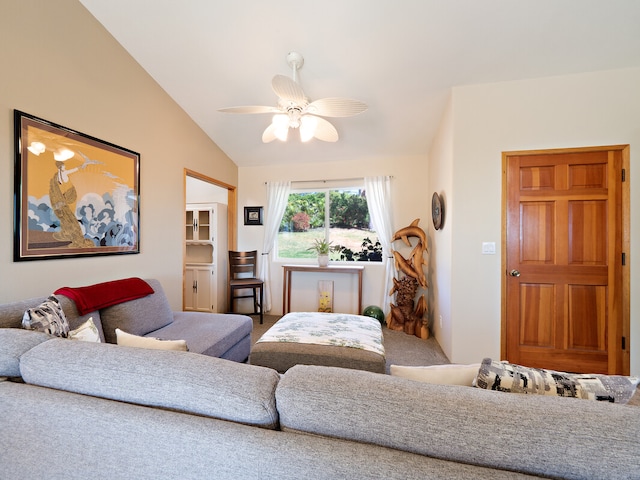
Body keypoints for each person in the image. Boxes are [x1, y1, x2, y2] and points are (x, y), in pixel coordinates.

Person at [49, 161, 94, 248]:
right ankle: (68, 233)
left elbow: (75, 169)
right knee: (67, 216)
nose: (65, 167)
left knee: (68, 215)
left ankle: (71, 235)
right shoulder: (58, 176)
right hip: (65, 197)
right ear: (60, 167)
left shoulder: (59, 175)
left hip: (70, 196)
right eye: (63, 166)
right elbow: (74, 169)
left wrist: (82, 166)